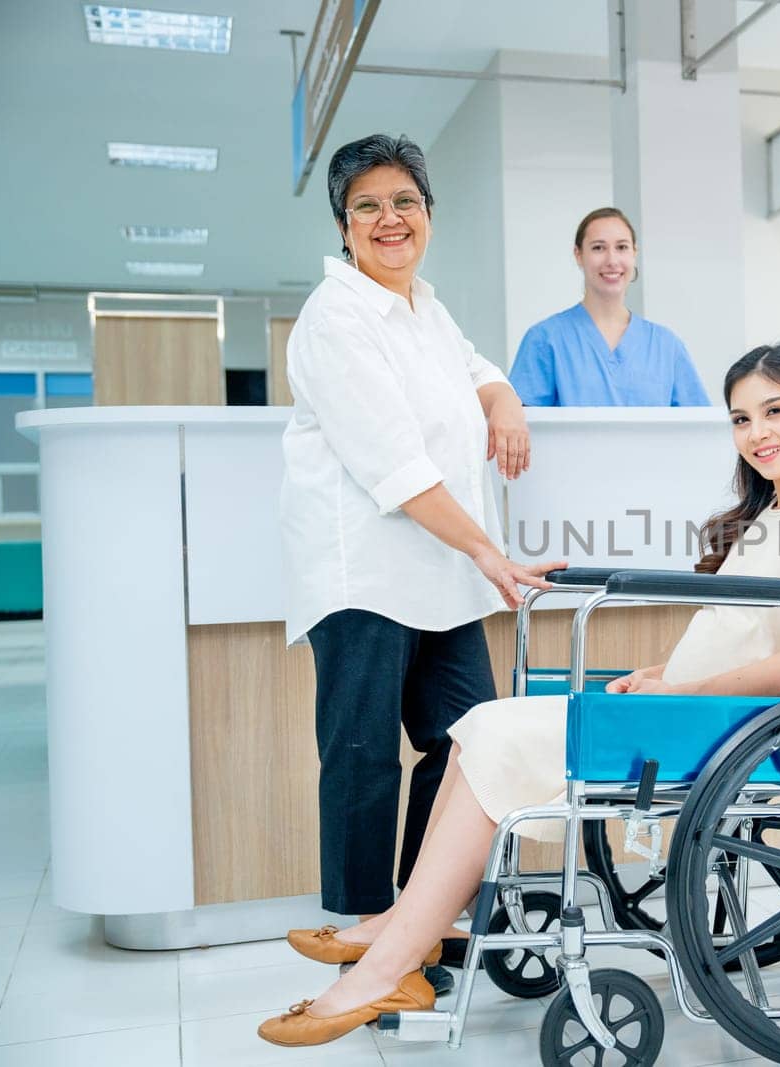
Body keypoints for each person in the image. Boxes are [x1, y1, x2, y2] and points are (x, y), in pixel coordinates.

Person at [258, 343, 780, 1046]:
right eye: (741, 419)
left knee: (498, 733)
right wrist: (658, 676)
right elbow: (737, 634)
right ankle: (408, 933)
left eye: (776, 411)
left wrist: (681, 688)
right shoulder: (766, 513)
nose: (758, 432)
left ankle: (389, 959)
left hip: (730, 725)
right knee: (477, 723)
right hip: (687, 707)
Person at [280, 134, 562, 947]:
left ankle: (421, 911)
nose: (389, 218)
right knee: (364, 755)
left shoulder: (424, 308)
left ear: (429, 215)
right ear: (343, 226)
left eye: (404, 201)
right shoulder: (336, 318)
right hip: (364, 574)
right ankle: (366, 933)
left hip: (439, 572)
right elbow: (396, 471)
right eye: (367, 205)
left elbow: (476, 365)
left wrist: (503, 400)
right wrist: (490, 552)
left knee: (467, 743)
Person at [508, 207, 711, 406]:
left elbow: (697, 430)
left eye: (622, 247)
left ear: (634, 253)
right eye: (598, 248)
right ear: (578, 255)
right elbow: (522, 428)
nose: (612, 260)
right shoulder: (545, 339)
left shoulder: (666, 346)